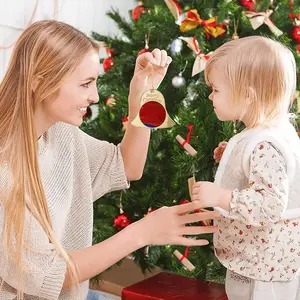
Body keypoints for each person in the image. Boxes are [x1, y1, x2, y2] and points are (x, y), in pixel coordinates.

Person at [0, 20, 219, 300]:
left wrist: (140, 93)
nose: (94, 96)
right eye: (85, 84)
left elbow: (127, 167)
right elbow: (52, 275)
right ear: (40, 82)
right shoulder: (6, 169)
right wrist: (142, 232)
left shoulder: (61, 134)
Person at [191, 36, 300, 300]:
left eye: (216, 89)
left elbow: (269, 205)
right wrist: (232, 152)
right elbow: (272, 171)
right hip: (264, 262)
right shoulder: (268, 133)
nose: (210, 95)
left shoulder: (265, 145)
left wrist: (222, 197)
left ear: (247, 95)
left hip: (264, 273)